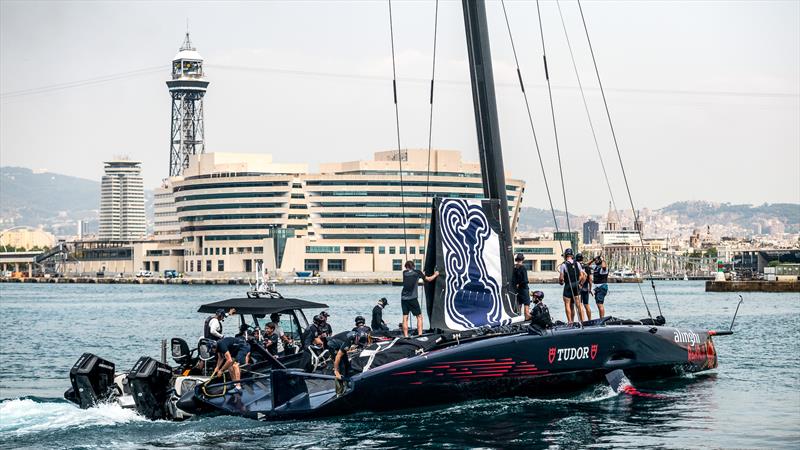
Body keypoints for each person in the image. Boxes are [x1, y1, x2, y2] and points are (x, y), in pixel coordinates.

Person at [400, 261, 439, 337]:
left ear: (406, 267)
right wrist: (435, 274)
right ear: (414, 266)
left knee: (405, 317)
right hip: (412, 298)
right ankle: (420, 335)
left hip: (403, 298)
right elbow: (428, 279)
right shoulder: (417, 272)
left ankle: (406, 336)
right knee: (419, 316)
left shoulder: (404, 273)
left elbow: (412, 276)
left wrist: (421, 274)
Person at [558, 248, 586, 324]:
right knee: (579, 304)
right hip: (576, 285)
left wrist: (560, 281)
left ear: (565, 255)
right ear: (572, 255)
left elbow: (561, 278)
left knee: (568, 304)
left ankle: (570, 321)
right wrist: (579, 283)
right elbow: (582, 275)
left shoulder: (563, 265)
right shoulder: (577, 263)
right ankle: (582, 321)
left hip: (568, 286)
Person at [328, 331, 359, 396]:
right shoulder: (349, 340)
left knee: (347, 363)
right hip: (333, 346)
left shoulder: (355, 334)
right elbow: (338, 356)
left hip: (340, 344)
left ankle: (347, 383)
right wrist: (336, 370)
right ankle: (339, 392)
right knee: (341, 366)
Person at [512, 253, 531, 320]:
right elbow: (525, 280)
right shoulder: (523, 268)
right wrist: (521, 284)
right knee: (526, 302)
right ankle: (527, 317)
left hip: (517, 289)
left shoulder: (514, 267)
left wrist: (517, 285)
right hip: (524, 288)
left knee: (519, 303)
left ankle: (519, 317)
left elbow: (513, 279)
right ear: (522, 259)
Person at [576, 254, 593, 321]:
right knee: (587, 304)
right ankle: (590, 320)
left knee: (580, 305)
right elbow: (590, 279)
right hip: (586, 288)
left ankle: (582, 320)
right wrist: (590, 288)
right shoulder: (587, 266)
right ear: (582, 259)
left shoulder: (576, 266)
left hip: (578, 287)